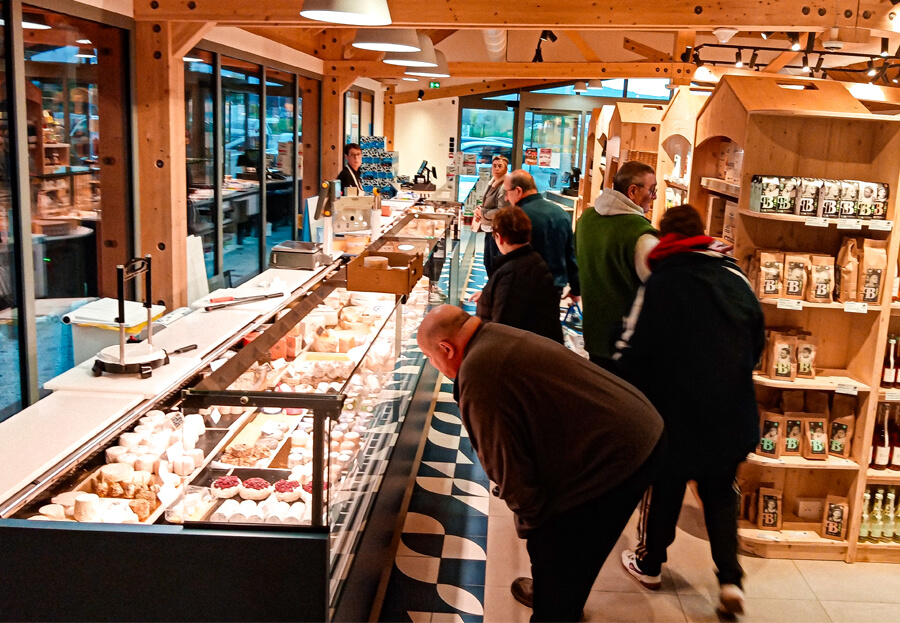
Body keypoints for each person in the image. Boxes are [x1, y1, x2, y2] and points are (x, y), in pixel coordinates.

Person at [417, 305, 664, 622]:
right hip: (634, 424)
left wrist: (537, 530)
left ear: (446, 348)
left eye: (429, 356)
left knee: (560, 546)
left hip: (622, 454)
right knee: (566, 553)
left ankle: (556, 606)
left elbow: (507, 468)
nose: (433, 364)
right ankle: (557, 592)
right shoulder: (491, 334)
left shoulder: (479, 377)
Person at [613, 205, 765, 618]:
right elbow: (756, 343)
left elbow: (631, 351)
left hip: (674, 413)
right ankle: (731, 581)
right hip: (731, 411)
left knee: (665, 486)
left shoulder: (661, 282)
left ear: (664, 240)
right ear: (702, 234)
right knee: (720, 494)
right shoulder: (736, 277)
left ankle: (650, 563)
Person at [575, 161, 659, 368]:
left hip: (593, 335)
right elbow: (661, 291)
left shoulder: (586, 219)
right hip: (629, 345)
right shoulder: (641, 235)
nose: (654, 196)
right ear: (632, 191)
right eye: (652, 189)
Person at [472, 206, 563, 343]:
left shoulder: (512, 273)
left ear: (500, 238)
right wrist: (489, 294)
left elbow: (503, 330)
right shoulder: (533, 260)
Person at [503, 170, 580, 303]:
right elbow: (570, 254)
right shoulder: (560, 213)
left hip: (522, 287)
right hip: (554, 287)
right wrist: (576, 289)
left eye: (507, 192)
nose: (506, 198)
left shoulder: (517, 217)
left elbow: (508, 257)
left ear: (518, 191)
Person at [474, 155, 509, 275]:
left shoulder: (503, 187)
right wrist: (480, 209)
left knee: (493, 263)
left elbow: (501, 211)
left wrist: (482, 213)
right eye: (494, 166)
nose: (496, 168)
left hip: (496, 229)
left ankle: (494, 290)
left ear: (506, 168)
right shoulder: (493, 182)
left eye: (500, 166)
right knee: (487, 262)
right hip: (488, 228)